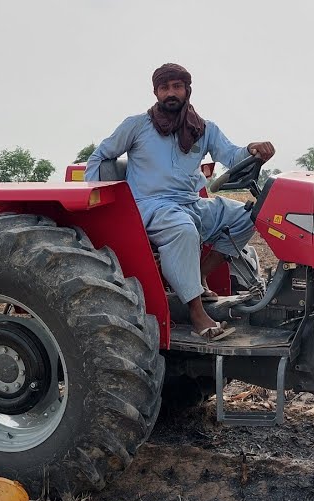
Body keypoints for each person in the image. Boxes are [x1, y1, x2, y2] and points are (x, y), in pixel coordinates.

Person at [85, 63, 275, 341]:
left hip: (190, 203)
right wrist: (96, 201)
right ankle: (196, 312)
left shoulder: (204, 129)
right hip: (150, 206)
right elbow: (99, 156)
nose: (171, 93)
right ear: (155, 93)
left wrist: (252, 150)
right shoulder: (137, 125)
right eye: (165, 88)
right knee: (183, 229)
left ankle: (198, 274)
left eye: (177, 86)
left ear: (187, 90)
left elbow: (232, 155)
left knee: (248, 215)